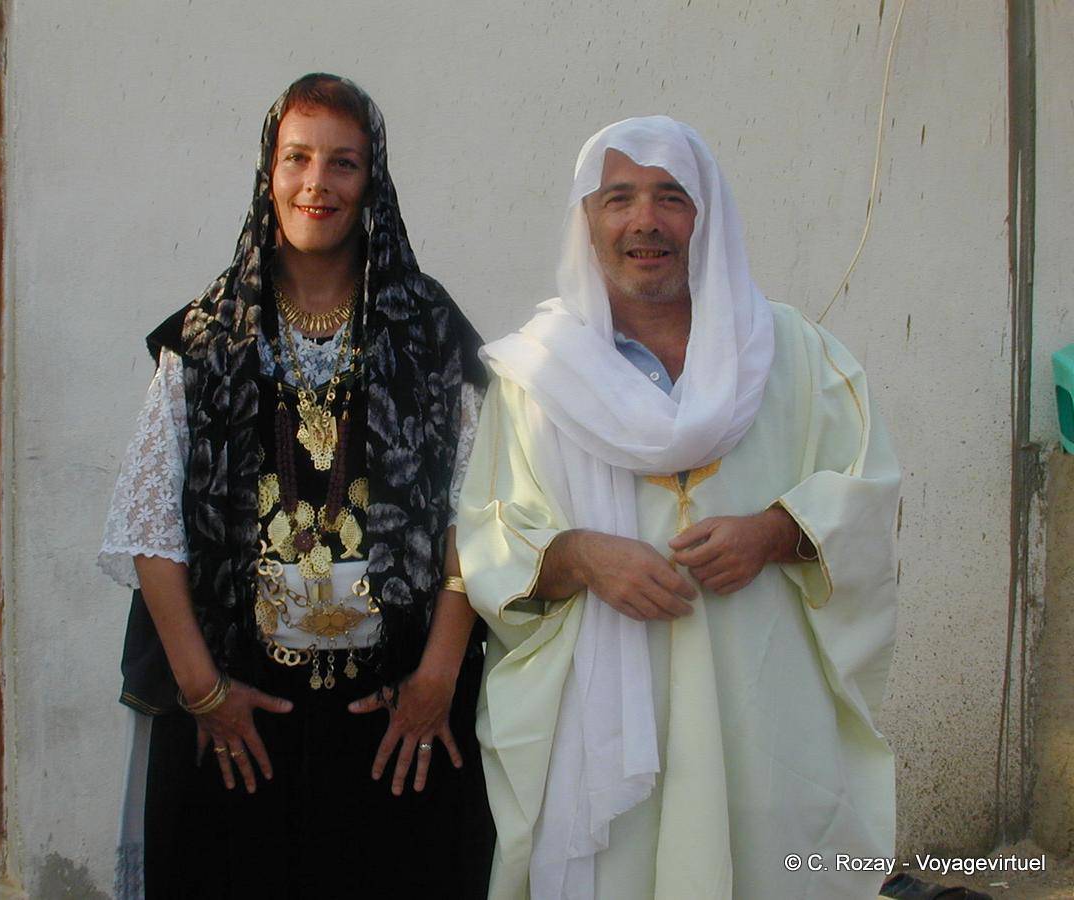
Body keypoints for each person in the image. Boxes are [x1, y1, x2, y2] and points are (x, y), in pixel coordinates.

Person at [457, 116, 900, 899]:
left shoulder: (792, 353)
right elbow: (488, 538)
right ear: (587, 221)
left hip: (763, 722)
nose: (645, 221)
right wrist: (580, 556)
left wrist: (775, 532)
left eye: (671, 197)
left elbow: (868, 494)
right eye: (618, 198)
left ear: (708, 215)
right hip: (601, 743)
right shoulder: (540, 377)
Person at [99, 73, 493, 899]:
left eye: (343, 162)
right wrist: (203, 692)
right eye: (297, 158)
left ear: (373, 181)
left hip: (399, 713)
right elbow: (151, 528)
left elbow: (477, 512)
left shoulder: (428, 333)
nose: (318, 183)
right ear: (268, 172)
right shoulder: (207, 337)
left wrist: (436, 682)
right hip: (237, 711)